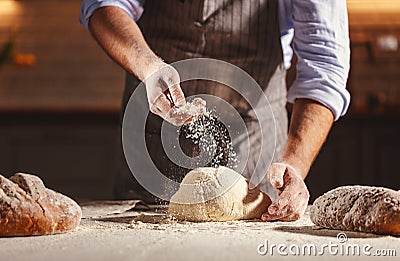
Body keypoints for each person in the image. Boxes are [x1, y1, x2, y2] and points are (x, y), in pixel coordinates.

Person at [80, 0, 350, 222]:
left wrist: (294, 165)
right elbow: (104, 4)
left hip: (253, 132)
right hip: (155, 125)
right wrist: (149, 67)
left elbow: (324, 66)